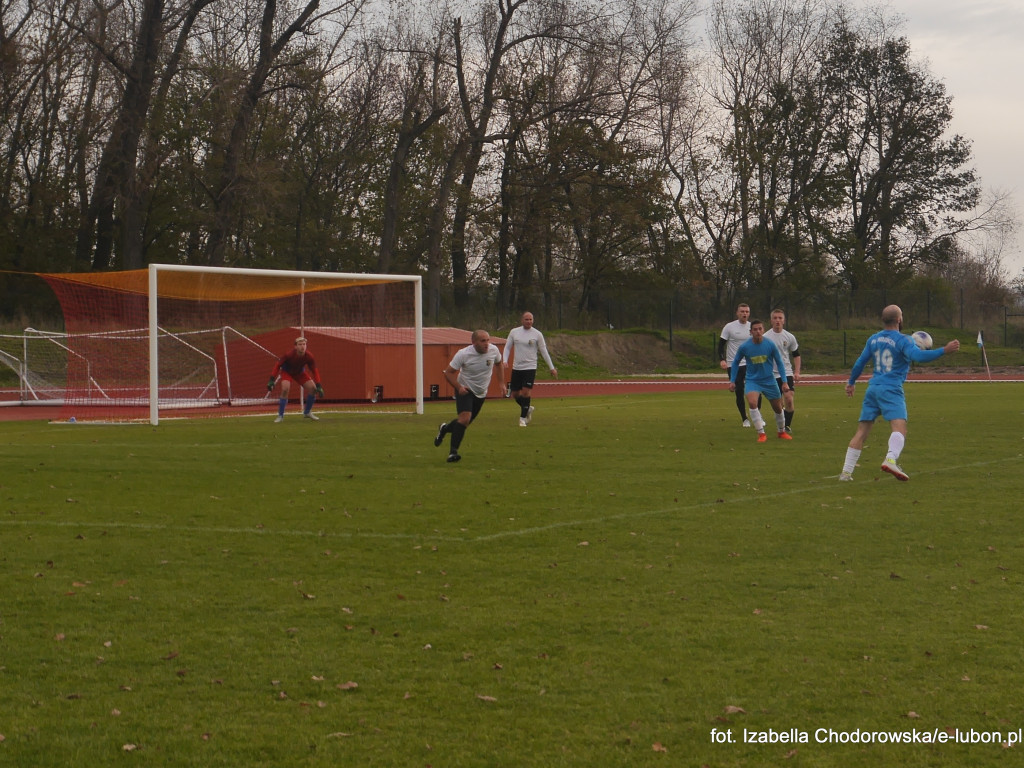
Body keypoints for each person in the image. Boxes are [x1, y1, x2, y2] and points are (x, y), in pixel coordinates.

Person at [839, 305, 959, 481]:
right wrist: (944, 350)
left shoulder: (873, 339)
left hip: (873, 388)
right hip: (891, 388)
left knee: (861, 432)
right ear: (899, 320)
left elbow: (860, 363)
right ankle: (890, 459)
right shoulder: (904, 340)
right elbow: (918, 357)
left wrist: (851, 383)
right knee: (900, 428)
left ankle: (846, 473)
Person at [433, 330, 505, 463]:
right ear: (474, 342)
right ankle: (453, 453)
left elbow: (499, 363)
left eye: (488, 340)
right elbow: (448, 372)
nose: (486, 344)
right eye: (483, 341)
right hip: (465, 389)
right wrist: (458, 387)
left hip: (481, 393)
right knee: (464, 419)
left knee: (464, 423)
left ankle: (444, 428)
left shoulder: (494, 350)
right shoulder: (463, 354)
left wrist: (501, 383)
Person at [729, 319, 791, 443]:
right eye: (755, 329)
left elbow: (779, 362)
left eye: (760, 329)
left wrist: (784, 382)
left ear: (763, 330)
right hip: (753, 380)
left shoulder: (770, 344)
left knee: (778, 408)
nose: (758, 331)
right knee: (752, 403)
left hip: (769, 380)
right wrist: (732, 380)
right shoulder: (745, 347)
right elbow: (735, 362)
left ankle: (781, 431)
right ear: (750, 332)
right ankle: (761, 434)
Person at [502, 311, 558, 426]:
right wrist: (505, 360)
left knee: (526, 392)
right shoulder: (514, 332)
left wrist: (551, 367)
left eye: (530, 319)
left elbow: (544, 351)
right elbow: (507, 347)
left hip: (530, 367)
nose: (529, 322)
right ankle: (527, 408)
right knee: (515, 394)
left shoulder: (537, 334)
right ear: (522, 320)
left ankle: (522, 419)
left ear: (533, 320)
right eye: (526, 319)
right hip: (517, 367)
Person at [267, 336, 324, 422]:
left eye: (304, 344)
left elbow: (315, 371)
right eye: (300, 344)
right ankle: (280, 416)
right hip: (287, 372)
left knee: (313, 389)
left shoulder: (309, 356)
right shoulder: (289, 354)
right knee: (285, 389)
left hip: (299, 373)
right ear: (295, 346)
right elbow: (277, 365)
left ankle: (307, 412)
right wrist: (271, 380)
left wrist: (319, 385)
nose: (302, 346)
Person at [764, 309, 801, 433]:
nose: (777, 320)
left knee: (789, 399)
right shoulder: (765, 337)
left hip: (786, 372)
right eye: (775, 318)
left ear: (784, 321)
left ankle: (787, 426)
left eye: (780, 318)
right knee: (777, 404)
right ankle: (781, 420)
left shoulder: (789, 337)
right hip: (771, 374)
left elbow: (796, 355)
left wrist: (797, 372)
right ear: (771, 321)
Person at [719, 303, 754, 426]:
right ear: (737, 313)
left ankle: (756, 415)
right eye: (742, 311)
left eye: (747, 311)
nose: (745, 313)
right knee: (739, 391)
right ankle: (744, 418)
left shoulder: (752, 327)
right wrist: (722, 359)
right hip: (734, 364)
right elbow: (721, 345)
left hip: (750, 364)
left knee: (756, 389)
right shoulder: (729, 327)